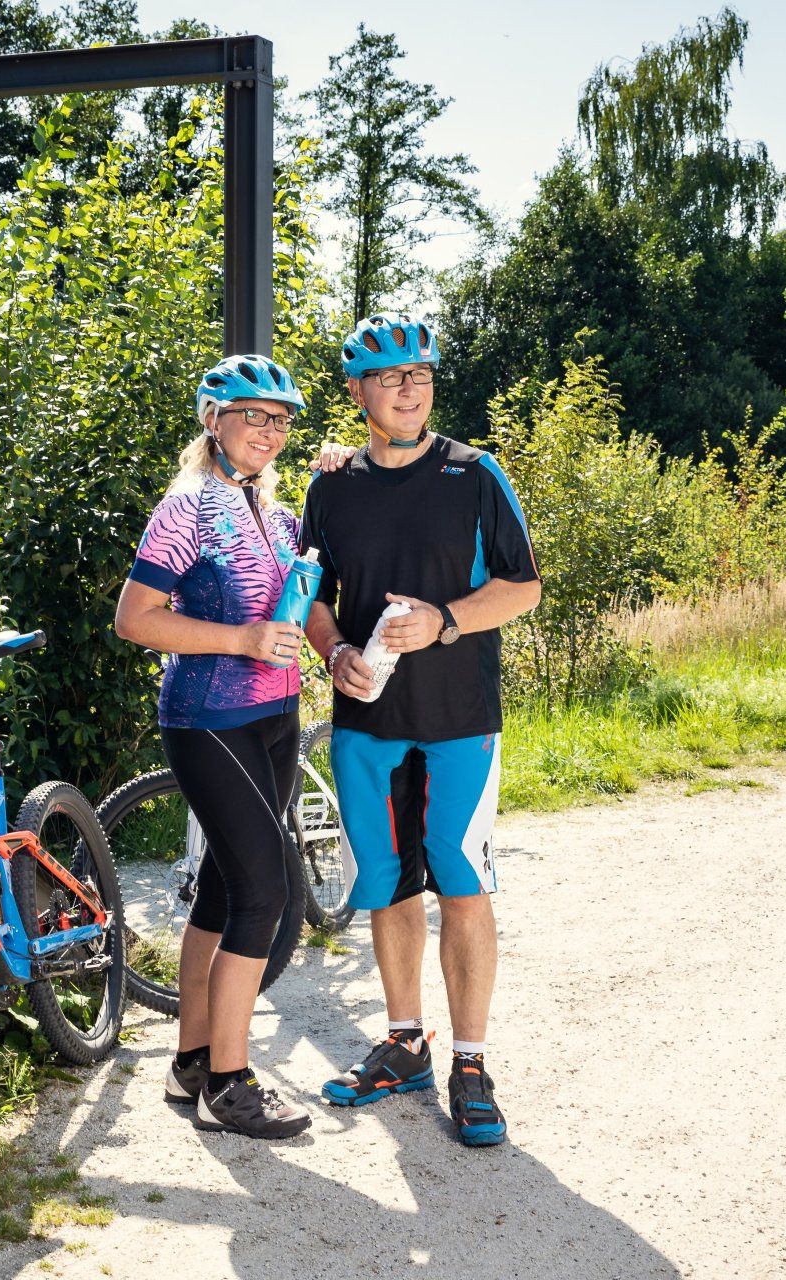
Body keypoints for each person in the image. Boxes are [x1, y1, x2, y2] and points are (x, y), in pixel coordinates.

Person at [300, 313, 542, 1146]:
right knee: (387, 882)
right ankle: (406, 1043)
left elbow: (523, 587)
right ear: (359, 391)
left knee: (461, 880)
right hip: (367, 723)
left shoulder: (475, 475)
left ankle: (470, 1061)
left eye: (423, 375)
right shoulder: (330, 486)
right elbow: (314, 596)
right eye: (392, 377)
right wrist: (332, 653)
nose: (411, 390)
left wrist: (443, 620)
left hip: (458, 721)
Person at [112, 353, 319, 1140]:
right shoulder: (188, 504)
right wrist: (239, 638)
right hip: (210, 718)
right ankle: (229, 1086)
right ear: (213, 420)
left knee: (229, 891)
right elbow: (135, 618)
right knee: (267, 893)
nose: (269, 430)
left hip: (275, 713)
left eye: (281, 419)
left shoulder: (268, 503)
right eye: (252, 415)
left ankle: (191, 1061)